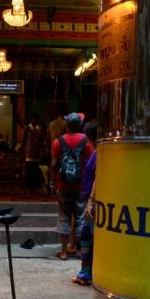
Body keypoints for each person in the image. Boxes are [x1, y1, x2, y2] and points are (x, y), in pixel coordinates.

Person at [50, 112, 94, 261]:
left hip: (63, 185)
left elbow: (54, 164)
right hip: (81, 186)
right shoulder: (86, 141)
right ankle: (81, 251)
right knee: (80, 217)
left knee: (63, 217)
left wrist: (52, 182)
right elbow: (90, 164)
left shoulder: (58, 141)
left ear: (67, 125)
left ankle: (63, 252)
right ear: (80, 125)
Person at [71, 121, 97, 286]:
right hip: (90, 198)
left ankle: (87, 273)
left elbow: (97, 178)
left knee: (87, 236)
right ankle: (86, 272)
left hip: (93, 200)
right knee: (87, 236)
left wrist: (91, 201)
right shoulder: (96, 153)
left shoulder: (100, 154)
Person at [21, 113, 47, 194]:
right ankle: (28, 188)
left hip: (37, 154)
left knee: (35, 171)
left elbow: (42, 142)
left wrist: (42, 151)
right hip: (28, 153)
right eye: (33, 119)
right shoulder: (26, 128)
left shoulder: (40, 129)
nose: (34, 121)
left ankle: (35, 188)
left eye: (36, 119)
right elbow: (24, 141)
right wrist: (23, 153)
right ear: (31, 120)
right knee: (28, 171)